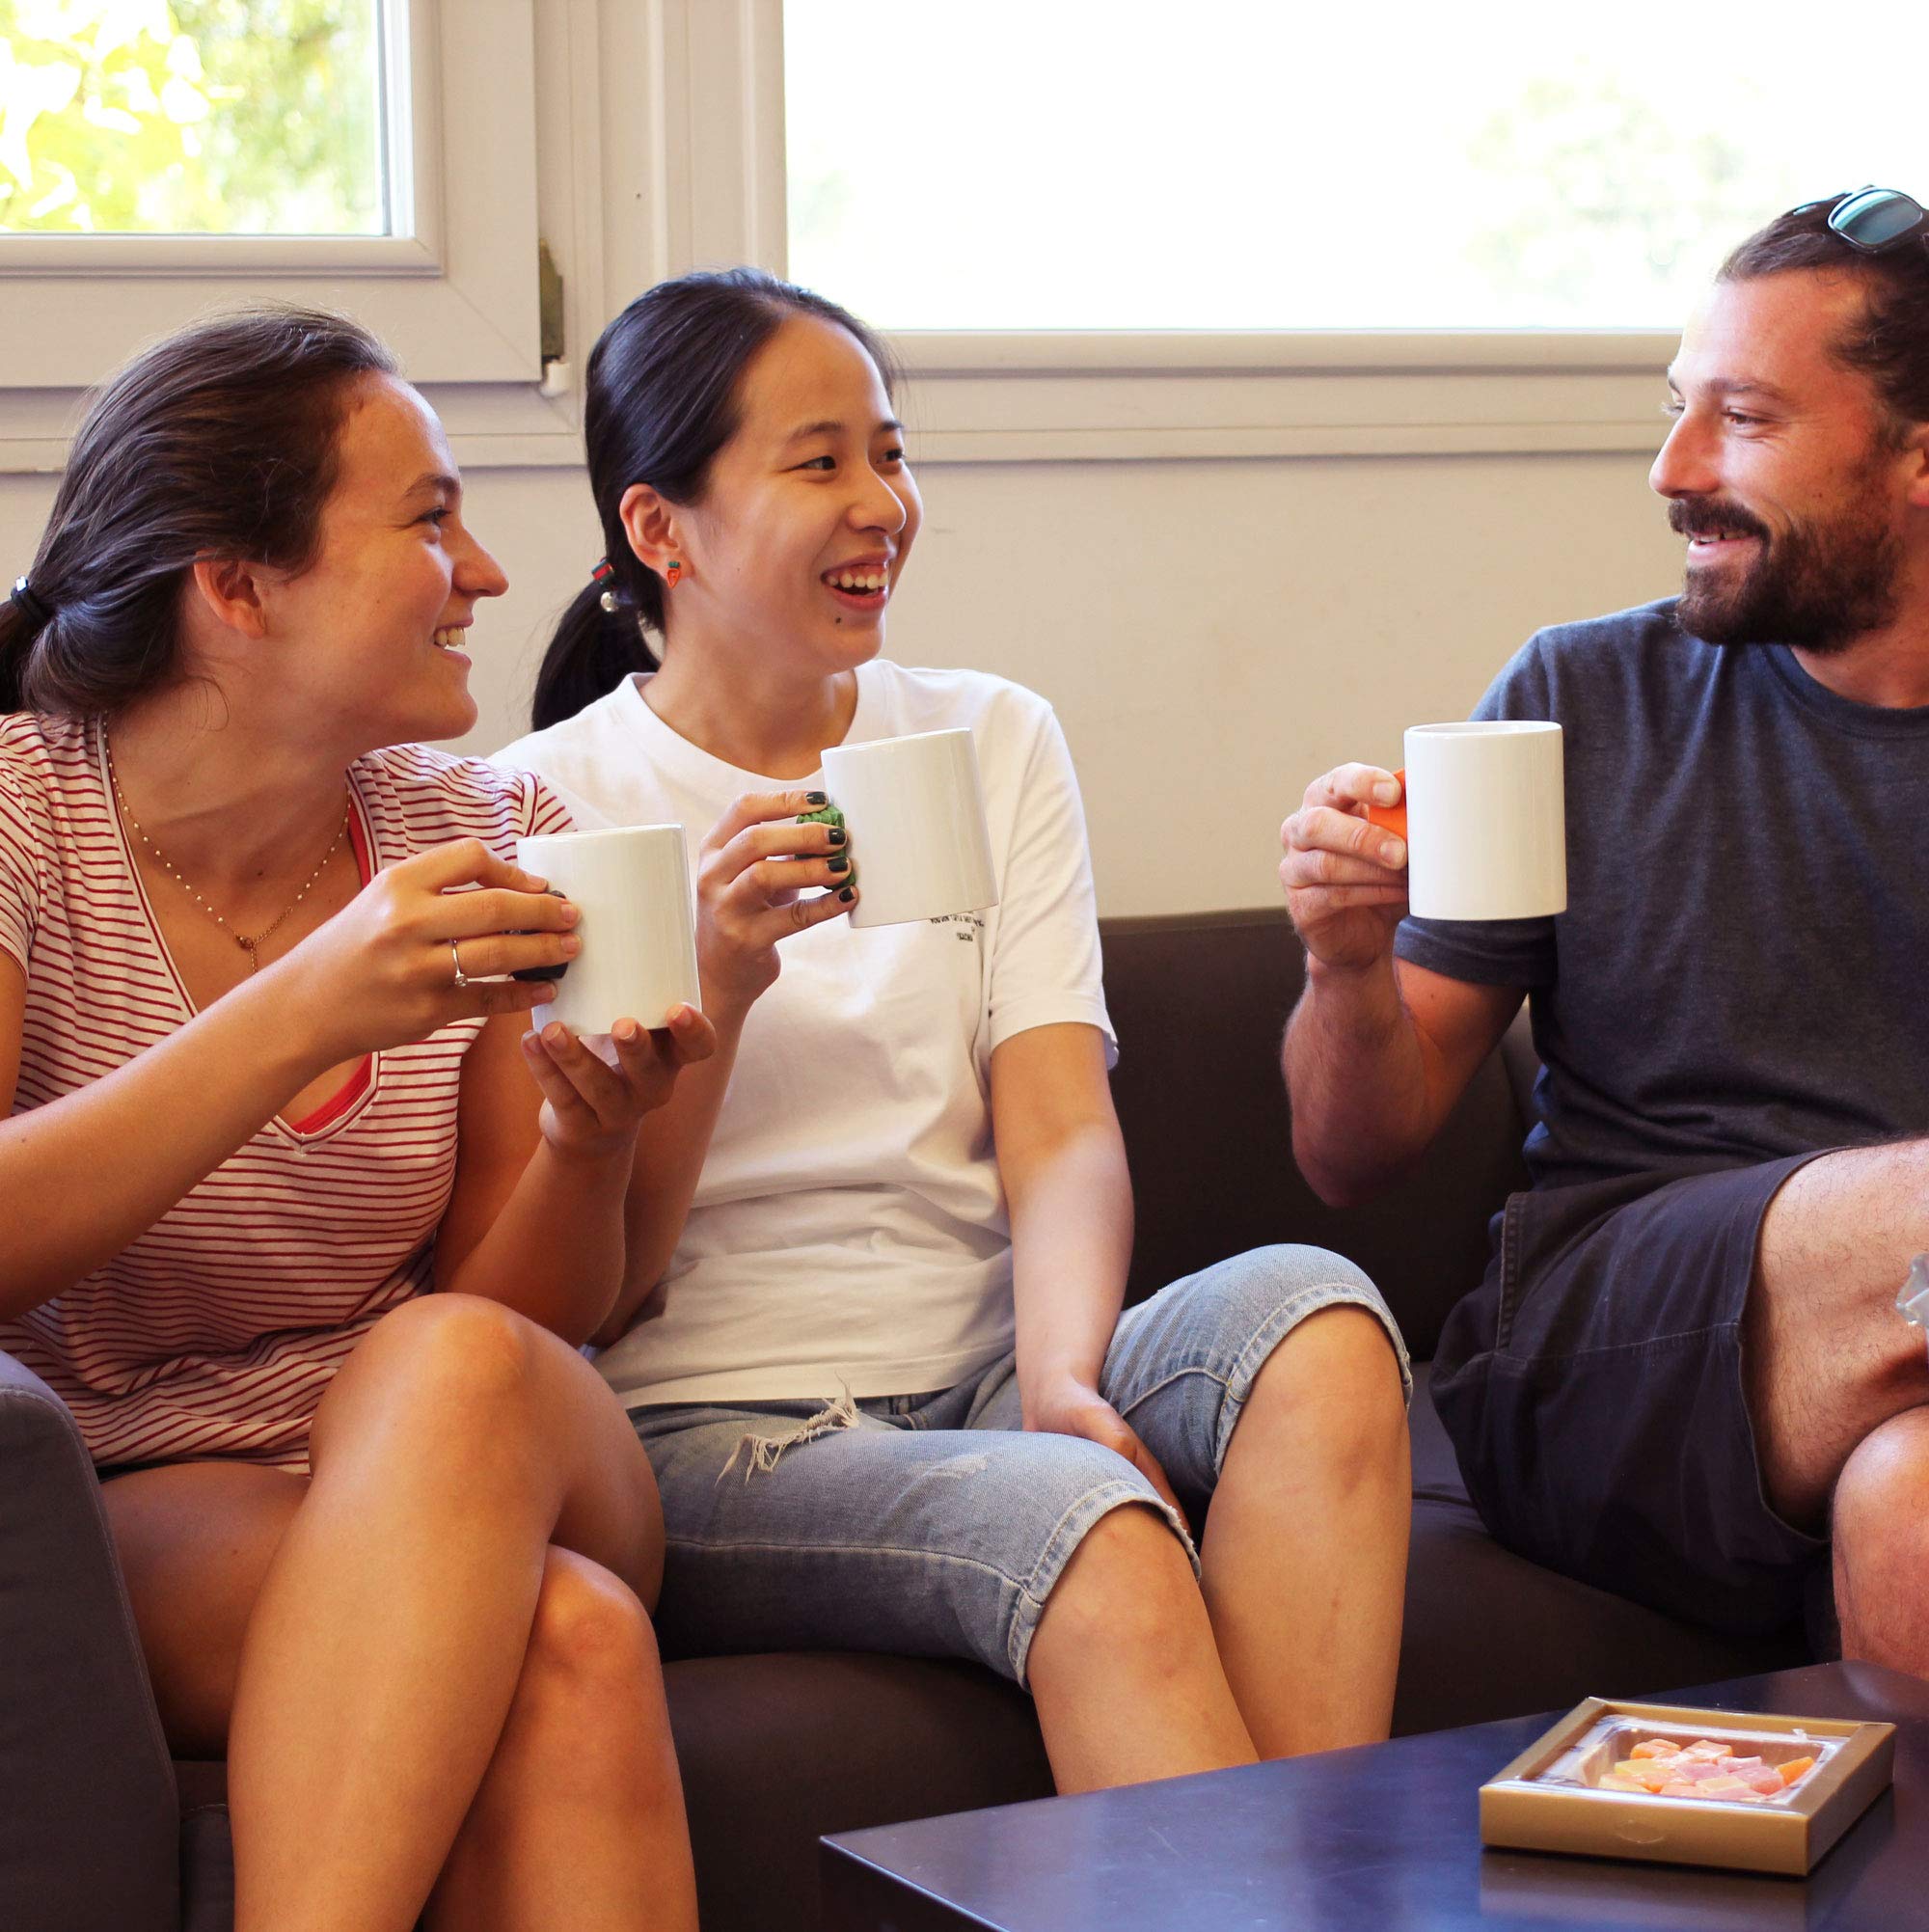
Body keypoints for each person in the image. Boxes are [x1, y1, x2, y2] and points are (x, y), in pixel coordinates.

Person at [492, 267, 1412, 1792]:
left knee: (1319, 1323)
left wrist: (1061, 1382)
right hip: (713, 1435)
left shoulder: (987, 735)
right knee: (1091, 1532)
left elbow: (1057, 1126)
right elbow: (606, 1295)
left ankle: (1302, 1879)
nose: (883, 503)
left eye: (891, 452)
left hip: (991, 1367)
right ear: (660, 532)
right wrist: (719, 985)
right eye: (819, 461)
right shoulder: (550, 807)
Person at [0, 310, 712, 1932]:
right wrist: (308, 1006)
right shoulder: (17, 818)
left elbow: (517, 1317)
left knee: (446, 1359)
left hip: (506, 1435)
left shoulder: (490, 828)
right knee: (568, 1650)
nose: (487, 572)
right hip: (148, 1487)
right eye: (428, 519)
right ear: (236, 588)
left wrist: (591, 1141)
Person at [1279, 188, 1929, 1675]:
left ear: (1918, 456)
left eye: (1745, 421)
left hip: (1893, 1370)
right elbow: (1349, 1151)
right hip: (1599, 1345)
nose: (1673, 468)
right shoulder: (1580, 700)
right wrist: (1346, 961)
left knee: (1915, 1501)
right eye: (1676, 408)